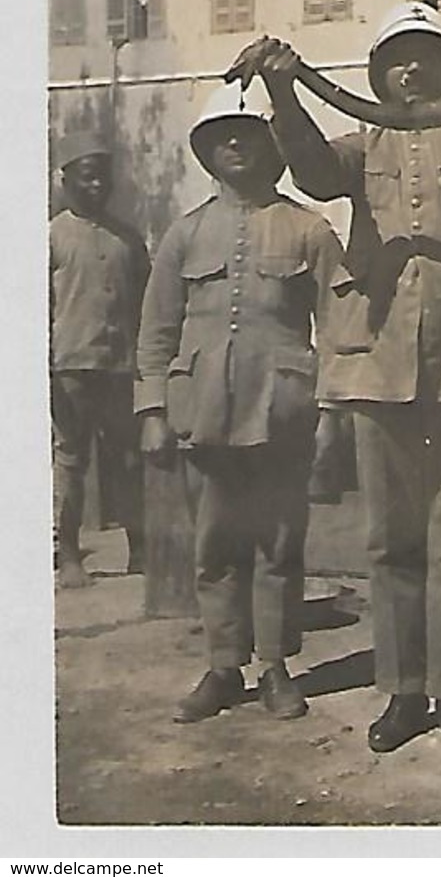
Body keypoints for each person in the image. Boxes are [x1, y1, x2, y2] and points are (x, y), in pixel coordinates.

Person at [256, 2, 441, 752]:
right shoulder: (364, 145)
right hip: (378, 365)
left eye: (425, 57)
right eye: (396, 59)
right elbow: (314, 173)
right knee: (390, 541)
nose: (411, 70)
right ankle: (402, 692)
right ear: (379, 75)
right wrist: (285, 91)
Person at [136, 81, 343, 723]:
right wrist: (151, 412)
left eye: (249, 134)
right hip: (203, 413)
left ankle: (277, 665)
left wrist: (331, 415)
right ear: (204, 150)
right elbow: (156, 332)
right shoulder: (185, 234)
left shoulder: (310, 230)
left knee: (280, 544)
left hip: (282, 411)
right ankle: (224, 665)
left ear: (273, 147)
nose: (236, 144)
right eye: (223, 135)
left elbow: (339, 330)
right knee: (215, 543)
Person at [49, 130, 149, 588]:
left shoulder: (129, 239)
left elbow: (150, 303)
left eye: (103, 179)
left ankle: (143, 549)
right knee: (72, 459)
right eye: (87, 178)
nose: (96, 187)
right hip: (70, 366)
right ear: (64, 180)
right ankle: (68, 553)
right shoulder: (50, 236)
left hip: (122, 367)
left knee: (130, 458)